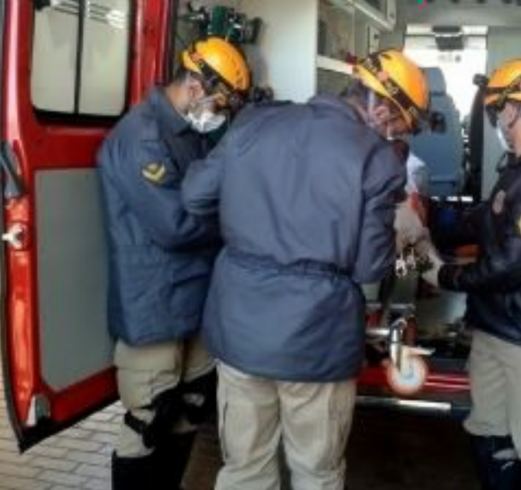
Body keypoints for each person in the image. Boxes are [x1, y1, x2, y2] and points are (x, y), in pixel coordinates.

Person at [182, 49, 430, 490]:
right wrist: (403, 232)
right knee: (316, 474)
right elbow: (370, 266)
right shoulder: (376, 160)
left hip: (240, 331)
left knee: (243, 469)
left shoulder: (255, 121)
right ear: (377, 105)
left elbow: (196, 196)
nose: (391, 134)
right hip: (316, 342)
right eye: (394, 122)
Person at [420, 58, 521, 490]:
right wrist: (432, 216)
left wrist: (445, 276)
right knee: (488, 432)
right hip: (494, 327)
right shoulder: (519, 167)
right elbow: (486, 218)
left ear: (515, 108)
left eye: (497, 110)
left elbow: (513, 265)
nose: (497, 120)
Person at [96, 37, 251, 490]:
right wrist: (236, 223)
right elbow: (176, 224)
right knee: (152, 418)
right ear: (195, 85)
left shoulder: (189, 134)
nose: (220, 113)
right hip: (153, 301)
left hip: (195, 297)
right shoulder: (140, 136)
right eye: (220, 102)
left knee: (192, 406)